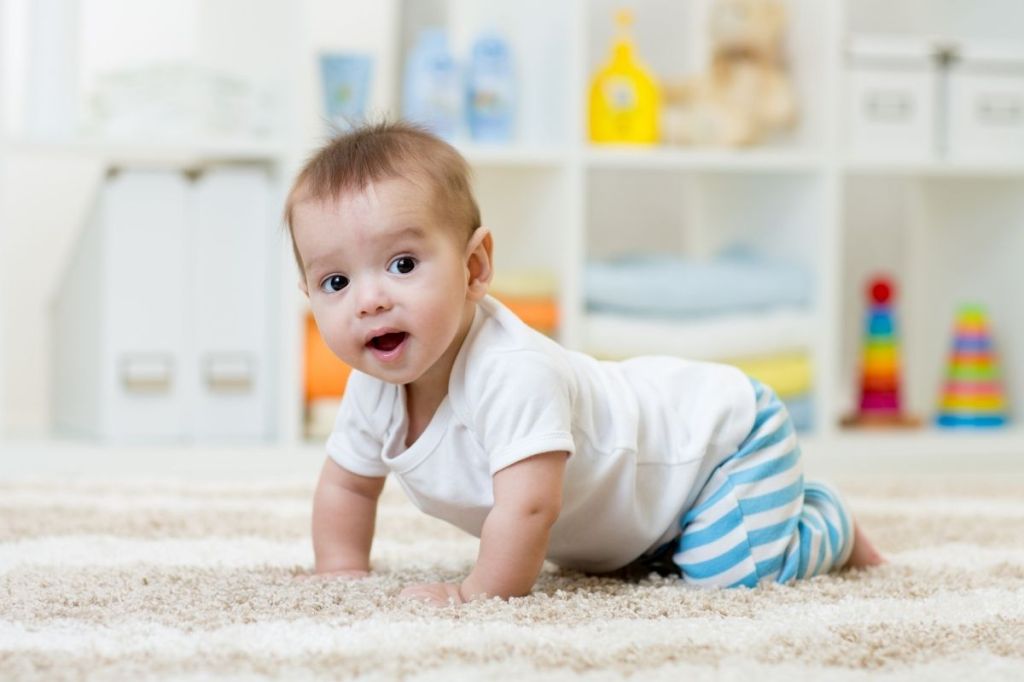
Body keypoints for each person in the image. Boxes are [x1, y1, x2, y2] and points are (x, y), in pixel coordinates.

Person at [284, 121, 884, 606]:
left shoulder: (511, 372)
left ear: (474, 268)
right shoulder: (373, 388)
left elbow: (531, 506)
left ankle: (824, 521)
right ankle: (676, 535)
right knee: (632, 562)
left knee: (725, 572)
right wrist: (339, 570)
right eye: (335, 280)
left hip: (720, 443)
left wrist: (477, 593)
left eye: (403, 264)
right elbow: (348, 485)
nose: (370, 300)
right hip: (644, 510)